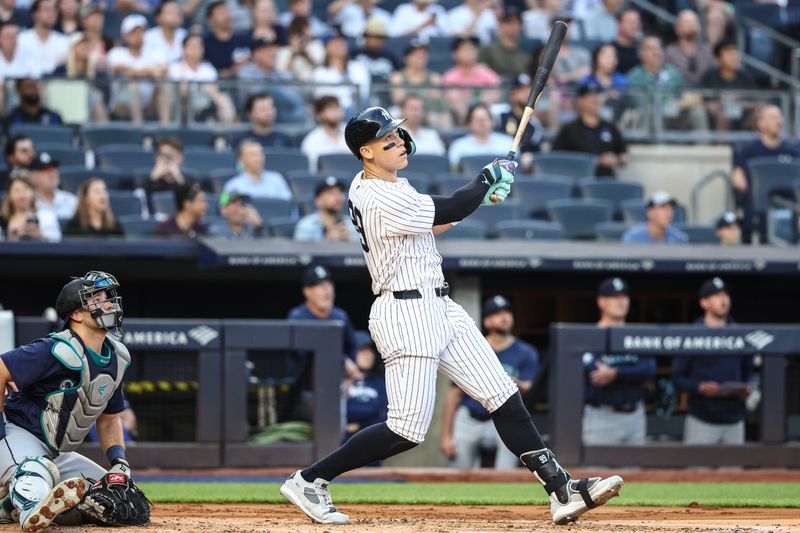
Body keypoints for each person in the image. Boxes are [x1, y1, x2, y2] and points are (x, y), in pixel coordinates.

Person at [279, 106, 623, 525]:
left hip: (440, 306)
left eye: (399, 135)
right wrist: (485, 179)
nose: (401, 142)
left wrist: (479, 197)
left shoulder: (390, 183)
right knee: (406, 429)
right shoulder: (373, 195)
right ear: (366, 152)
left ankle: (561, 489)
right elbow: (451, 206)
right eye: (389, 139)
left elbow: (438, 220)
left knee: (503, 394)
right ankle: (310, 480)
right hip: (405, 311)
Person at [0, 271, 150, 531]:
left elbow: (110, 417)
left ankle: (8, 505)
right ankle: (29, 511)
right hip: (15, 435)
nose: (108, 304)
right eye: (96, 299)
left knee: (110, 494)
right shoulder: (55, 348)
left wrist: (119, 462)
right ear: (76, 315)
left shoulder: (116, 357)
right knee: (36, 468)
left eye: (107, 298)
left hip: (55, 452)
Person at [441, 295, 540, 469]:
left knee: (505, 471)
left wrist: (508, 382)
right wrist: (446, 435)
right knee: (457, 473)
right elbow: (454, 393)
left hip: (503, 417)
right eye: (497, 313)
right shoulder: (472, 348)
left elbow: (528, 387)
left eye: (507, 312)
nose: (504, 317)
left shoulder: (526, 352)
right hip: (470, 417)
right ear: (487, 322)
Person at [672, 277, 754, 444]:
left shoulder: (741, 334)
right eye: (716, 296)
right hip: (702, 419)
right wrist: (699, 387)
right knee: (699, 470)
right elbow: (677, 376)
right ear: (704, 303)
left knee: (733, 470)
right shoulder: (692, 334)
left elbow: (750, 373)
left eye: (725, 295)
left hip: (734, 419)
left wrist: (746, 389)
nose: (723, 300)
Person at [284, 264, 362, 421]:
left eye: (328, 284)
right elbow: (307, 355)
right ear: (307, 292)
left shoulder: (340, 316)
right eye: (319, 286)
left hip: (336, 388)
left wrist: (348, 377)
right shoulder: (297, 317)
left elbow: (352, 346)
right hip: (305, 391)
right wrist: (342, 361)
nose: (326, 290)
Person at [583, 277, 655, 445]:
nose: (621, 301)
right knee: (597, 471)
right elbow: (594, 374)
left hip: (635, 415)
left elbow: (648, 370)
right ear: (601, 302)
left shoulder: (636, 335)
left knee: (633, 471)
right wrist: (631, 372)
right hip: (602, 415)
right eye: (614, 297)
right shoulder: (588, 336)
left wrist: (616, 373)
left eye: (624, 296)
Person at [730, 104, 800, 243]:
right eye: (773, 117)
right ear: (761, 124)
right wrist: (747, 190)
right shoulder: (748, 150)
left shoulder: (792, 150)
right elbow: (737, 176)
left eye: (780, 117)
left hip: (789, 204)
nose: (778, 121)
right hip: (757, 206)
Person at [628, 34, 707, 132]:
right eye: (651, 49)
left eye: (658, 48)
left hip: (675, 114)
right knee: (652, 114)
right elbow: (639, 104)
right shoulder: (634, 76)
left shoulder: (673, 72)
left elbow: (690, 95)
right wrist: (665, 106)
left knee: (697, 113)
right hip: (651, 118)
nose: (656, 52)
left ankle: (703, 146)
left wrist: (680, 104)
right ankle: (658, 147)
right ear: (641, 54)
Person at [552, 82, 628, 177]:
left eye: (597, 95)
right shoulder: (569, 129)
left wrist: (615, 159)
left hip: (604, 179)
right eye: (589, 96)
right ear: (580, 101)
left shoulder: (610, 127)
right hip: (577, 180)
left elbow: (625, 155)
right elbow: (556, 157)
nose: (595, 99)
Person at [107, 14, 169, 123]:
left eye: (141, 32)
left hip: (149, 103)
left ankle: (166, 127)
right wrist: (148, 72)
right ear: (125, 36)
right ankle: (139, 128)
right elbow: (122, 68)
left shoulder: (154, 53)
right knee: (132, 85)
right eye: (133, 33)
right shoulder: (116, 53)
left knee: (165, 85)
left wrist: (149, 72)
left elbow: (163, 69)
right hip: (122, 104)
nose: (138, 36)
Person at [167, 33, 236, 123]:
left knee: (224, 99)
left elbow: (214, 91)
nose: (197, 50)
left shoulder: (208, 68)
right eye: (193, 47)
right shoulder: (175, 67)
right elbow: (181, 90)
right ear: (183, 49)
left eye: (200, 47)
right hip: (183, 107)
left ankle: (225, 131)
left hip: (206, 105)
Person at [388, 40, 448, 128]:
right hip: (405, 112)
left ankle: (446, 138)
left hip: (428, 111)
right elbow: (399, 100)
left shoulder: (434, 77)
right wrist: (425, 95)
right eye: (416, 54)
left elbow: (436, 101)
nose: (420, 57)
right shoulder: (398, 77)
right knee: (396, 112)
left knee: (442, 113)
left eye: (423, 54)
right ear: (406, 57)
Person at [442, 36, 501, 124]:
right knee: (454, 95)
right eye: (465, 49)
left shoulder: (486, 72)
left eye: (472, 49)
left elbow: (497, 92)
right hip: (460, 119)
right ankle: (469, 122)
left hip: (485, 114)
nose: (470, 52)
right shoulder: (450, 76)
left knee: (491, 93)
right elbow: (451, 100)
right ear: (455, 54)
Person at [310, 28, 370, 112]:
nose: (340, 44)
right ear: (326, 47)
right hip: (336, 113)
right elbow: (324, 99)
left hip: (360, 111)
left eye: (341, 40)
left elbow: (364, 93)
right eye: (335, 42)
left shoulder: (358, 67)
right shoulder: (320, 72)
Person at [344, 333, 388, 444]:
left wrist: (361, 426)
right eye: (362, 350)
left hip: (370, 442)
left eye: (370, 351)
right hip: (338, 441)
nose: (368, 355)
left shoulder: (378, 383)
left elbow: (386, 416)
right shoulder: (339, 380)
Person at [448, 102, 513, 170]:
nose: (482, 123)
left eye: (485, 119)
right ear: (469, 123)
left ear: (492, 121)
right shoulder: (458, 146)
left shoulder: (508, 143)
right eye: (478, 120)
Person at [498, 74, 543, 171]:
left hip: (519, 170)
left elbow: (536, 153)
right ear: (512, 94)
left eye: (529, 90)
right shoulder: (499, 114)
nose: (526, 93)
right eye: (521, 90)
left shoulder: (535, 125)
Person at [294, 175, 359, 241]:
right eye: (331, 193)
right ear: (318, 201)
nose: (337, 197)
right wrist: (328, 241)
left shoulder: (353, 225)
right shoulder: (306, 225)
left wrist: (350, 243)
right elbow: (301, 250)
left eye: (339, 193)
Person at [224, 139, 293, 199]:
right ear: (241, 160)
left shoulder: (277, 179)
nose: (258, 159)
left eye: (260, 154)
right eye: (252, 155)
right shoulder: (231, 185)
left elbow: (290, 207)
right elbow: (222, 206)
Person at [16, 0, 69, 77]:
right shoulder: (21, 40)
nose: (51, 13)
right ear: (35, 14)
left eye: (54, 10)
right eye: (46, 10)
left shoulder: (64, 41)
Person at [0, 175, 61, 242]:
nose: (21, 194)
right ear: (9, 195)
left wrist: (39, 236)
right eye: (17, 190)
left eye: (26, 189)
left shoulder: (47, 217)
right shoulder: (2, 221)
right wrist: (9, 239)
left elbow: (57, 242)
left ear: (33, 193)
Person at [664, 10, 715, 86]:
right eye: (687, 22)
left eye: (695, 22)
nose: (692, 25)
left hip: (703, 94)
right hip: (678, 95)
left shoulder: (707, 52)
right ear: (677, 28)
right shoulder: (669, 53)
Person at [203, 0, 253, 77]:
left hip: (246, 84)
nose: (226, 16)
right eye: (221, 12)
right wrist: (231, 71)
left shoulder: (243, 39)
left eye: (227, 11)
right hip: (217, 86)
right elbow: (204, 72)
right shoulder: (206, 43)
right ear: (210, 19)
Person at [300, 96, 350, 171]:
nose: (336, 112)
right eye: (331, 109)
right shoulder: (311, 140)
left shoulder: (353, 133)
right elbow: (311, 170)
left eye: (338, 108)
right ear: (319, 115)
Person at [477, 7, 527, 78]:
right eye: (508, 22)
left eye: (517, 23)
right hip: (493, 87)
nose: (513, 26)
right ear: (500, 25)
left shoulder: (524, 54)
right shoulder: (487, 49)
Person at [622, 190, 688, 244]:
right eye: (663, 207)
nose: (669, 213)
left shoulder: (678, 238)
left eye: (671, 209)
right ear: (650, 212)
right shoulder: (633, 237)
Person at [29, 151, 77, 220]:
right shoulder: (28, 202)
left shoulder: (71, 200)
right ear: (33, 177)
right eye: (45, 170)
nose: (51, 174)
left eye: (54, 169)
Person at [350, 17, 401, 84]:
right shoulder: (355, 54)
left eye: (380, 37)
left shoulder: (390, 56)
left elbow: (399, 73)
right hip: (361, 90)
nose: (376, 40)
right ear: (366, 37)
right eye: (372, 36)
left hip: (384, 91)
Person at [275, 15, 324, 82]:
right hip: (291, 87)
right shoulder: (284, 51)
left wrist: (304, 52)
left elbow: (318, 68)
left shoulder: (316, 46)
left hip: (312, 84)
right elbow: (282, 74)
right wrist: (294, 53)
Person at [612, 8, 641, 74]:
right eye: (631, 22)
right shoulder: (610, 50)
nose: (635, 26)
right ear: (619, 25)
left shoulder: (642, 49)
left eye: (637, 22)